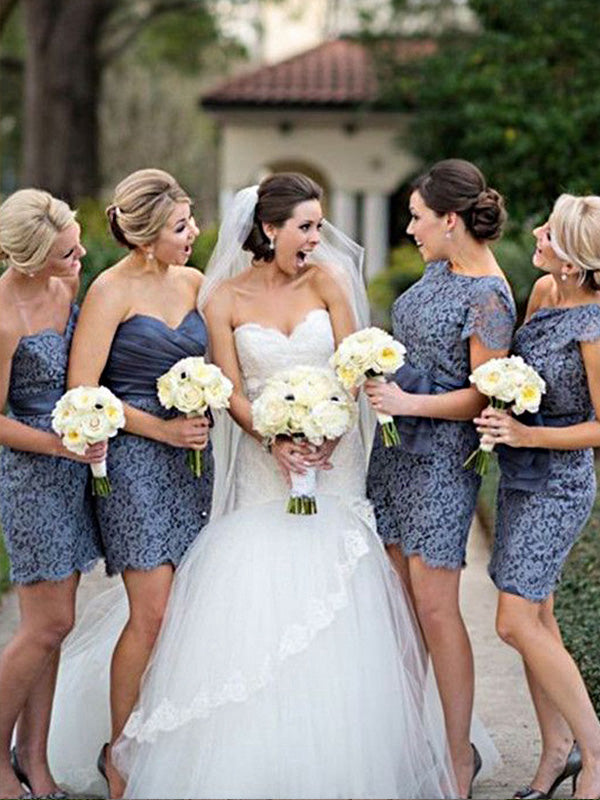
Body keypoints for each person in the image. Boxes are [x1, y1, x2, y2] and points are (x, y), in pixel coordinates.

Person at [56, 171, 458, 799]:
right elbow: (231, 386)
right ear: (269, 230)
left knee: (345, 599)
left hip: (337, 460)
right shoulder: (221, 298)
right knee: (250, 596)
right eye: (304, 227)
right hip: (259, 462)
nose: (317, 239)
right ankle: (159, 749)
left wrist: (329, 429)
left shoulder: (323, 281)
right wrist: (273, 438)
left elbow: (354, 363)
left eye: (319, 226)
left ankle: (339, 750)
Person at [365, 159, 516, 797]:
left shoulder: (489, 295)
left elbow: (486, 395)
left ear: (450, 220)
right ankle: (405, 746)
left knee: (436, 610)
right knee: (399, 610)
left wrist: (411, 404)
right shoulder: (438, 270)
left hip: (440, 465)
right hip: (395, 456)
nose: (410, 227)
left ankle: (458, 756)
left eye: (419, 217)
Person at [65, 168, 213, 798]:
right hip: (132, 468)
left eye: (192, 221)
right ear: (148, 236)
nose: (194, 233)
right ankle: (119, 752)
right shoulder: (109, 291)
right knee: (150, 614)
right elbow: (83, 390)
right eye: (182, 226)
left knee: (186, 614)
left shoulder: (197, 282)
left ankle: (169, 739)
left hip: (194, 468)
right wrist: (164, 430)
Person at [475, 193, 600, 800]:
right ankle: (557, 751)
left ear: (573, 262)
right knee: (539, 617)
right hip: (522, 477)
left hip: (561, 483)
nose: (535, 231)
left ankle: (595, 753)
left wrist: (529, 432)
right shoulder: (546, 294)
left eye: (547, 231)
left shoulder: (594, 327)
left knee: (515, 620)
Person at [0, 189, 105, 799]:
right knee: (46, 623)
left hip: (74, 470)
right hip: (32, 478)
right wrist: (61, 444)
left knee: (54, 628)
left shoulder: (65, 291)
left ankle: (35, 765)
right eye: (67, 252)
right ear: (32, 259)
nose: (80, 256)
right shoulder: (4, 313)